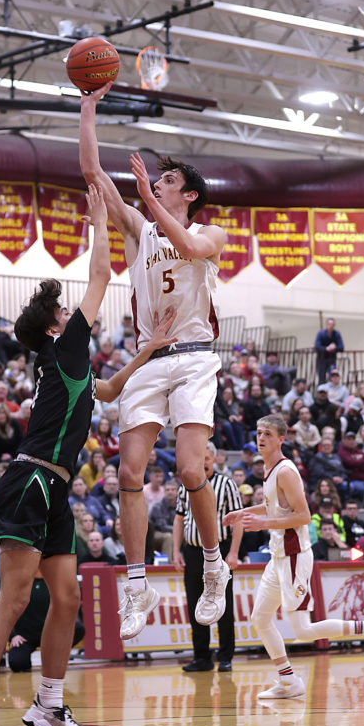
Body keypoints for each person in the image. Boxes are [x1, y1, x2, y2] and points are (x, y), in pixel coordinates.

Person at [0, 184, 177, 726]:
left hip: (55, 486)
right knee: (15, 599)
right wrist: (99, 219)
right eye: (66, 311)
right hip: (30, 480)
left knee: (67, 599)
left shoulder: (66, 363)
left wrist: (149, 350)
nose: (76, 313)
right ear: (56, 326)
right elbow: (100, 275)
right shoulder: (64, 347)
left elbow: (105, 390)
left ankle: (47, 706)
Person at [80, 84, 232, 643]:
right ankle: (137, 584)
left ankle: (213, 566)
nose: (157, 183)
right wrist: (88, 105)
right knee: (128, 473)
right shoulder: (140, 228)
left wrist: (148, 196)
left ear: (188, 194)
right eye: (156, 179)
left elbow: (189, 250)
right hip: (149, 357)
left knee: (191, 471)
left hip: (193, 358)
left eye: (168, 180)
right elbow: (93, 173)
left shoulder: (209, 232)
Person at [223, 414, 364, 700]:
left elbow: (303, 516)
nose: (261, 438)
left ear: (281, 439)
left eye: (267, 434)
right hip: (278, 556)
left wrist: (262, 524)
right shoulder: (269, 469)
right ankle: (288, 681)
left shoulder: (285, 471)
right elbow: (275, 506)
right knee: (260, 618)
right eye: (258, 433)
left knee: (302, 630)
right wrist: (244, 513)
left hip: (294, 555)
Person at [174, 441, 243, 673]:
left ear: (214, 459)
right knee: (195, 605)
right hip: (193, 551)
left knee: (224, 605)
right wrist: (176, 551)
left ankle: (225, 656)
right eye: (198, 458)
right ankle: (201, 657)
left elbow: (238, 521)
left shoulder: (227, 484)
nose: (202, 462)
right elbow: (179, 518)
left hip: (220, 550)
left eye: (206, 458)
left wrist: (234, 552)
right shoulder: (185, 484)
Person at [314, 317, 344, 385]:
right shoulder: (320, 333)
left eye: (332, 325)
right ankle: (322, 391)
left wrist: (334, 347)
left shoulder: (336, 334)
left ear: (334, 325)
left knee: (332, 377)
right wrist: (326, 348)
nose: (331, 326)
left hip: (332, 360)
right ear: (326, 324)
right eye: (329, 324)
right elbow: (317, 346)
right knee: (321, 378)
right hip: (321, 359)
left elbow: (341, 347)